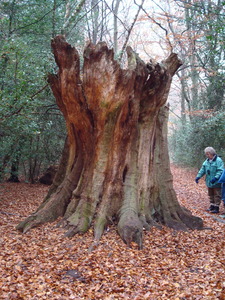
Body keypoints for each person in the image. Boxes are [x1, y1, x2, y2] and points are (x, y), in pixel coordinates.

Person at [195, 147, 224, 214]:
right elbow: (202, 170)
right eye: (206, 154)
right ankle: (212, 206)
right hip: (209, 181)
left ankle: (216, 207)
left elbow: (220, 170)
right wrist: (198, 177)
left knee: (217, 194)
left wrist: (216, 178)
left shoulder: (218, 160)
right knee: (211, 194)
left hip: (216, 182)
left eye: (208, 154)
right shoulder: (206, 161)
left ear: (212, 153)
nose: (207, 155)